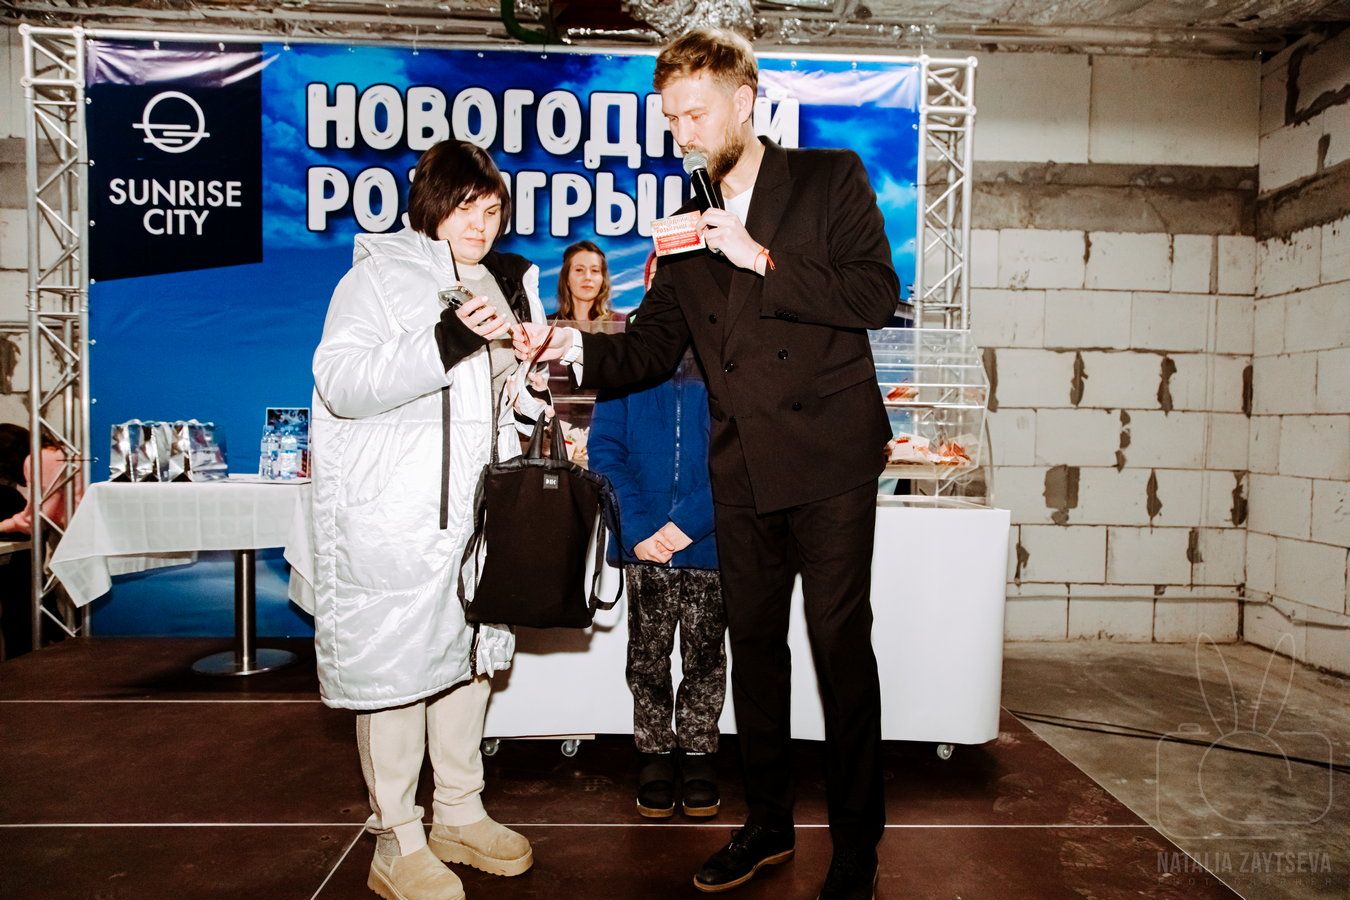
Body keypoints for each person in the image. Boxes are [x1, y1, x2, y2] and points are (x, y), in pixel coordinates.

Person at [515, 28, 897, 900]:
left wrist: (757, 256)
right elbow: (652, 347)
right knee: (755, 653)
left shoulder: (828, 179)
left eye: (694, 114)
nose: (681, 133)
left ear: (743, 103)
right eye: (671, 119)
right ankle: (767, 826)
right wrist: (570, 346)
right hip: (744, 468)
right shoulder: (684, 224)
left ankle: (857, 848)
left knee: (840, 651)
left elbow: (876, 295)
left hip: (831, 458)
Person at [310, 139, 546, 900]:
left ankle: (459, 812)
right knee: (395, 672)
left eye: (493, 210)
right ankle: (396, 839)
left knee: (467, 661)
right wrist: (448, 338)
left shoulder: (500, 284)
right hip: (398, 516)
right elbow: (341, 381)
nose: (482, 223)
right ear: (432, 205)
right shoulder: (376, 277)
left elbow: (493, 404)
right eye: (467, 207)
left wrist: (531, 380)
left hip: (477, 517)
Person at [588, 258, 726, 821]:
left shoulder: (726, 356)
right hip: (644, 545)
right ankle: (653, 753)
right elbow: (605, 450)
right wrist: (641, 530)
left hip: (710, 541)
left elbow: (739, 453)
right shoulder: (627, 360)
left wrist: (688, 522)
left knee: (705, 656)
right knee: (646, 656)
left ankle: (698, 752)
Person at [554, 239, 624, 325]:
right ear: (566, 278)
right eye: (579, 270)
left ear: (603, 279)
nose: (587, 277)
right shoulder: (546, 325)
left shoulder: (621, 323)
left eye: (595, 270)